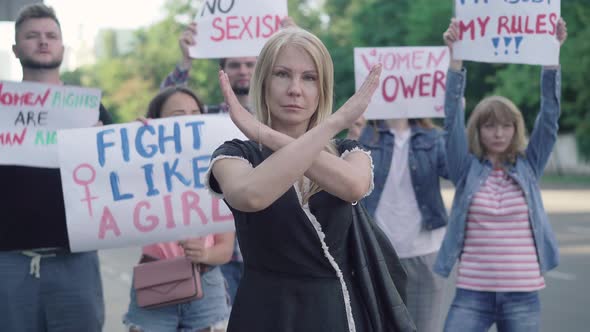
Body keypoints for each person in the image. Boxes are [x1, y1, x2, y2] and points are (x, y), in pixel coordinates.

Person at [205, 26, 413, 331]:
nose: (295, 89)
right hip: (265, 313)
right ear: (263, 81)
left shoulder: (348, 151)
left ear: (322, 88)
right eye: (282, 74)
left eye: (309, 78)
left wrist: (270, 135)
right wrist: (331, 124)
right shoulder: (235, 155)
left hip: (336, 313)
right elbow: (250, 196)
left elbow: (353, 186)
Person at [435, 18, 568, 331]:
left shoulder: (528, 166)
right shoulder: (466, 169)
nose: (498, 132)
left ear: (516, 129)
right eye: (489, 125)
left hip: (523, 295)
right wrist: (456, 60)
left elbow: (549, 119)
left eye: (506, 125)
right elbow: (452, 119)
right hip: (472, 294)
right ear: (478, 131)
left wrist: (551, 57)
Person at [161, 17, 295, 304]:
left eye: (250, 63)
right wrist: (185, 61)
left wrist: (292, 46)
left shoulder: (284, 119)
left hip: (275, 245)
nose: (243, 71)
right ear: (224, 70)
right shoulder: (203, 118)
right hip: (221, 253)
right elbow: (166, 107)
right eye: (235, 65)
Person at [0, 3, 112, 331]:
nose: (43, 42)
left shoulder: (91, 110)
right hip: (9, 261)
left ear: (63, 46)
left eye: (51, 35)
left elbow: (117, 172)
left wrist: (129, 137)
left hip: (75, 260)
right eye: (32, 36)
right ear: (16, 49)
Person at [123, 86, 235, 332]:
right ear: (157, 121)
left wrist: (203, 255)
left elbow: (225, 249)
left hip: (206, 286)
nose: (189, 120)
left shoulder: (219, 170)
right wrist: (131, 141)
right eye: (178, 116)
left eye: (195, 113)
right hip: (153, 283)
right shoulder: (142, 171)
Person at [359, 117, 448, 332]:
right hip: (376, 252)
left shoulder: (434, 138)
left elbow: (456, 172)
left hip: (424, 251)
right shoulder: (365, 135)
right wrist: (356, 133)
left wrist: (454, 120)